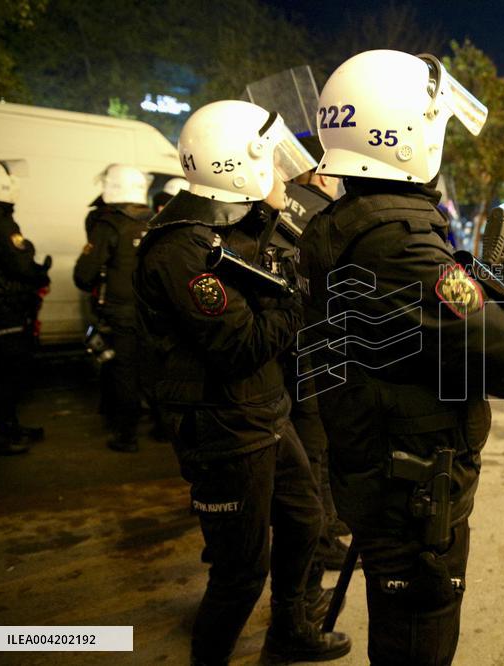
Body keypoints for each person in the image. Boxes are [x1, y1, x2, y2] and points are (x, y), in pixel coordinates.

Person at [299, 50, 504, 665]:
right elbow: (503, 361)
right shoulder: (395, 247)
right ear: (404, 134)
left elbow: (433, 338)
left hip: (383, 469)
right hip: (410, 496)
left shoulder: (344, 225)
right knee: (418, 644)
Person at [133, 100, 350, 665]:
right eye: (272, 164)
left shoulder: (239, 224)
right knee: (239, 574)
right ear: (240, 168)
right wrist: (295, 293)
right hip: (223, 428)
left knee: (305, 520)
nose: (283, 176)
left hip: (265, 413)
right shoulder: (183, 248)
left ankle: (290, 631)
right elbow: (241, 345)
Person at [274, 134, 351, 570]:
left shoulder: (280, 203)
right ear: (321, 171)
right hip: (318, 345)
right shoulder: (324, 213)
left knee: (306, 441)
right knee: (318, 444)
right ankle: (322, 538)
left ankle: (325, 525)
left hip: (286, 341)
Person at [0, 159, 50, 455]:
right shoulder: (0, 223)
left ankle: (8, 425)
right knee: (8, 371)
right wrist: (38, 270)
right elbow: (20, 264)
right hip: (2, 308)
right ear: (0, 185)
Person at [73, 164, 154, 452]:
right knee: (153, 367)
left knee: (124, 371)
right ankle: (162, 428)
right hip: (153, 313)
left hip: (122, 313)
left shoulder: (109, 225)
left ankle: (126, 434)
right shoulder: (156, 221)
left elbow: (84, 275)